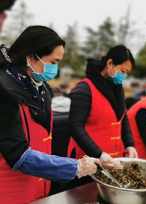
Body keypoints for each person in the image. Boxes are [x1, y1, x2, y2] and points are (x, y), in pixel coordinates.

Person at [0, 26, 120, 203]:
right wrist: (75, 167)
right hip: (11, 192)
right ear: (31, 57)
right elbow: (18, 156)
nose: (55, 69)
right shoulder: (4, 91)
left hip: (38, 188)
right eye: (53, 62)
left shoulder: (42, 88)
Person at [68, 45, 138, 163]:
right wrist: (99, 154)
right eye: (122, 71)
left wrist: (129, 144)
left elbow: (122, 118)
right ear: (110, 63)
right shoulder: (84, 89)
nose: (124, 76)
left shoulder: (117, 88)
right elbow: (75, 127)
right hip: (89, 160)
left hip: (112, 159)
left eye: (126, 73)